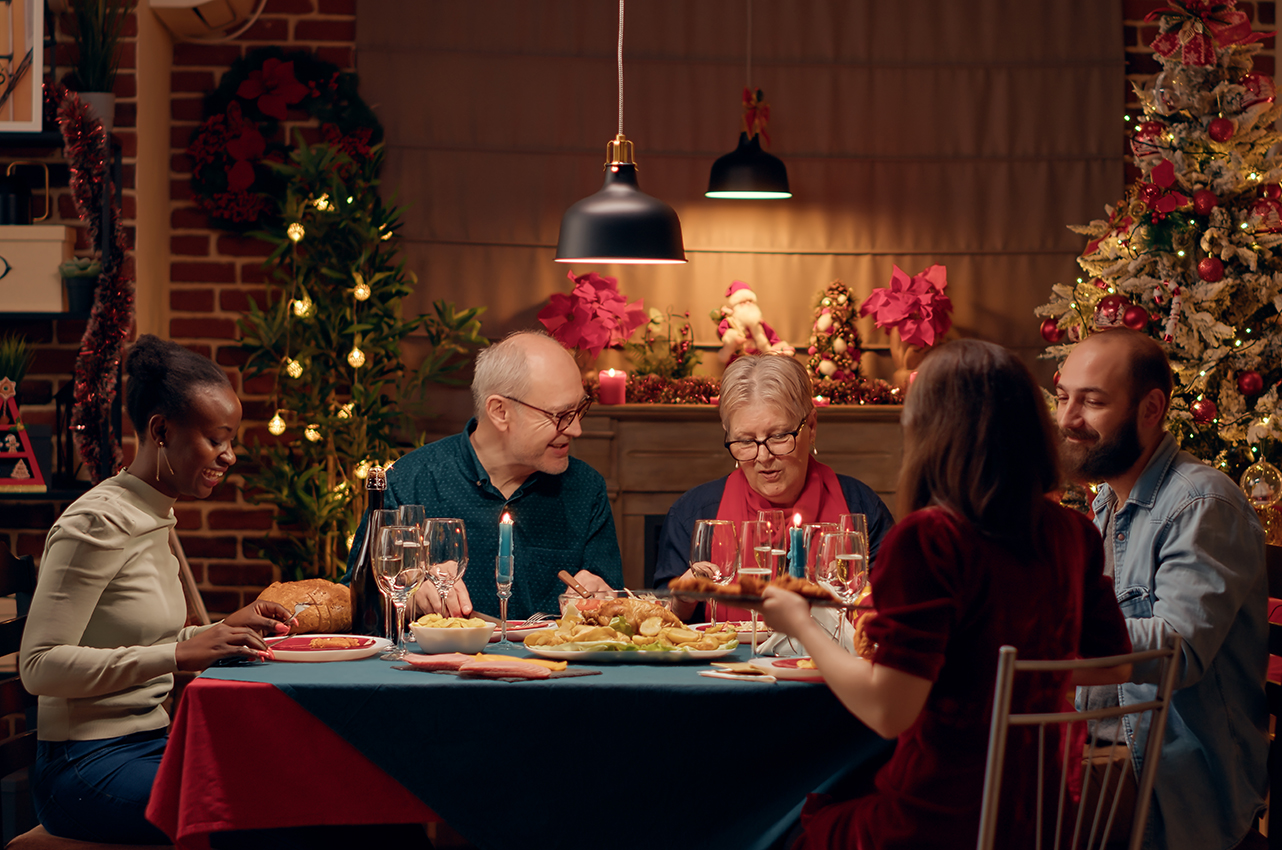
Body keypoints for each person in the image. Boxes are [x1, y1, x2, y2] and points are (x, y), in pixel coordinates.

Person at [758, 339, 1131, 850]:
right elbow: (1115, 665)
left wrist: (799, 621)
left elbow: (888, 712)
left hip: (938, 820)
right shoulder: (1072, 534)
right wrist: (1010, 670)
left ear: (930, 433)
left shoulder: (931, 540)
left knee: (774, 823)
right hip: (1039, 820)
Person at [18, 335, 293, 845]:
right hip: (84, 765)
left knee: (301, 786)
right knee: (260, 814)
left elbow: (141, 636)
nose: (230, 456)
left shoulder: (154, 514)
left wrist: (223, 628)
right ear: (161, 430)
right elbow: (39, 667)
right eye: (217, 439)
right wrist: (180, 652)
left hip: (152, 744)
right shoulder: (97, 523)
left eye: (231, 440)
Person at [1056, 328, 1267, 850]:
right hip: (1108, 749)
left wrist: (1046, 633)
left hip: (1176, 780)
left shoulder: (1202, 503)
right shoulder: (1106, 501)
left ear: (1152, 408)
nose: (1066, 420)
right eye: (1063, 397)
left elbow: (1179, 650)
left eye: (1093, 402)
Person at [348, 330, 623, 621]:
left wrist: (605, 598)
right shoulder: (408, 483)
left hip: (557, 665)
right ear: (500, 411)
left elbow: (615, 608)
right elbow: (356, 604)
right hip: (437, 666)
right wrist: (410, 596)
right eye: (560, 415)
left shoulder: (585, 488)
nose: (576, 429)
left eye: (580, 409)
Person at [655, 354, 893, 621]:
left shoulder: (861, 508)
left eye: (779, 436)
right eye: (745, 441)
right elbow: (662, 627)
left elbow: (896, 611)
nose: (763, 457)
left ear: (811, 426)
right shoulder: (692, 515)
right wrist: (681, 602)